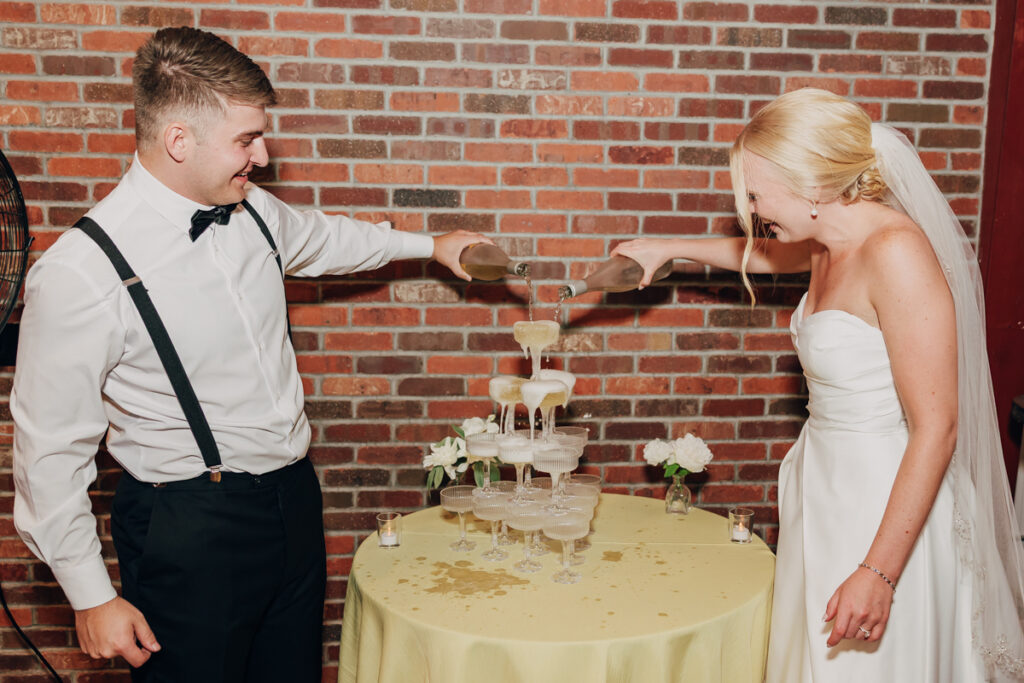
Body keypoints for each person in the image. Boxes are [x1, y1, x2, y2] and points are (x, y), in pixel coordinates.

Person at [11, 26, 489, 682]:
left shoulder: (253, 209)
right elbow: (48, 453)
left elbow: (329, 239)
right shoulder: (80, 272)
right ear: (179, 139)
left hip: (293, 501)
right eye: (246, 139)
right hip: (189, 527)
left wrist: (429, 244)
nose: (262, 155)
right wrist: (91, 594)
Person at [613, 88, 1024, 681]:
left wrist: (879, 572)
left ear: (809, 184)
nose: (751, 209)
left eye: (755, 192)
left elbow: (939, 427)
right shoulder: (827, 243)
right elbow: (758, 257)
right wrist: (667, 248)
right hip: (823, 484)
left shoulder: (896, 252)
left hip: (883, 500)